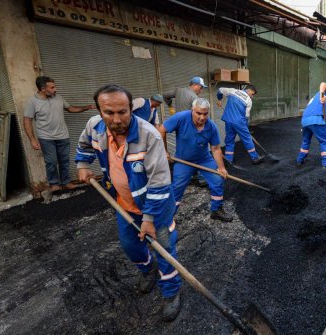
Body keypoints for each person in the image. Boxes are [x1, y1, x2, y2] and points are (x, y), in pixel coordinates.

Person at [75, 84, 182, 321]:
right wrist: (82, 165)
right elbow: (83, 146)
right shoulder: (95, 127)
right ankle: (147, 269)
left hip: (156, 207)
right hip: (123, 204)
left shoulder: (148, 135)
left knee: (164, 251)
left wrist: (149, 219)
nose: (116, 119)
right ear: (98, 110)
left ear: (131, 108)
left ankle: (171, 292)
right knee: (130, 246)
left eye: (122, 112)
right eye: (109, 112)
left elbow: (160, 183)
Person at [158, 98, 232, 222]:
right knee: (177, 187)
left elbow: (215, 148)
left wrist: (222, 168)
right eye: (198, 113)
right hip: (183, 161)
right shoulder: (181, 118)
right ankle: (168, 218)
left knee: (217, 180)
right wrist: (164, 150)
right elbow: (161, 130)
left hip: (204, 159)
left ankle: (216, 210)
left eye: (205, 113)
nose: (202, 117)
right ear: (192, 110)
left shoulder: (211, 126)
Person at [24, 76, 94, 192]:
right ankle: (54, 184)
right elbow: (27, 120)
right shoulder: (33, 101)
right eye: (52, 87)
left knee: (64, 161)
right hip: (46, 137)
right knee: (51, 162)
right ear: (42, 89)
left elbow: (71, 109)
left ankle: (66, 182)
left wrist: (88, 107)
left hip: (63, 136)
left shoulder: (58, 98)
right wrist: (32, 139)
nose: (55, 89)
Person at [164, 77, 209, 186]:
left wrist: (170, 105)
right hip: (192, 128)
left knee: (182, 151)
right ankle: (202, 178)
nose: (201, 91)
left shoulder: (178, 90)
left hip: (180, 127)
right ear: (196, 85)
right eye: (201, 88)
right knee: (200, 151)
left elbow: (165, 95)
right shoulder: (194, 97)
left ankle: (187, 175)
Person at [216, 84, 264, 164]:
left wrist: (219, 99)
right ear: (249, 90)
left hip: (228, 121)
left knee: (229, 140)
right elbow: (246, 116)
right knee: (247, 138)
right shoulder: (248, 100)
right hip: (239, 122)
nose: (252, 96)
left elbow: (220, 90)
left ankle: (228, 159)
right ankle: (255, 158)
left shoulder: (232, 91)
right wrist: (245, 127)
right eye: (252, 94)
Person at [296, 82, 326, 169]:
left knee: (306, 141)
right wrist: (322, 95)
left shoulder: (314, 98)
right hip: (316, 119)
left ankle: (300, 160)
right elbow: (323, 84)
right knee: (325, 141)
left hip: (305, 121)